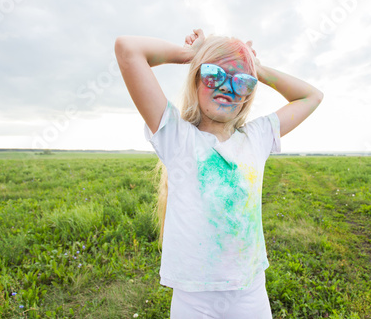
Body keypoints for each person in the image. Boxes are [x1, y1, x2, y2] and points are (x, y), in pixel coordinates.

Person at [115, 28, 323, 319]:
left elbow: (311, 96)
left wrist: (257, 68)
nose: (227, 86)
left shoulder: (256, 137)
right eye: (214, 73)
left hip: (251, 292)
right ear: (197, 78)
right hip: (194, 300)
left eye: (241, 81)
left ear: (249, 93)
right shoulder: (177, 136)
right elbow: (128, 49)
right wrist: (193, 54)